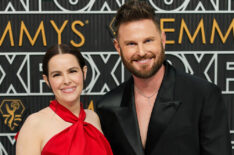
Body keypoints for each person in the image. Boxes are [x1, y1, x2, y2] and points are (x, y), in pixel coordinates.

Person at [96, 1, 232, 155]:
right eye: (131, 44)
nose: (141, 52)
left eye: (148, 41)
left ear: (163, 39)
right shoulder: (106, 106)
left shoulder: (203, 96)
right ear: (118, 47)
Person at [16, 44, 113, 155]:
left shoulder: (93, 118)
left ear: (84, 72)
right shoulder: (34, 124)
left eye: (72, 71)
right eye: (57, 75)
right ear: (47, 80)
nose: (66, 80)